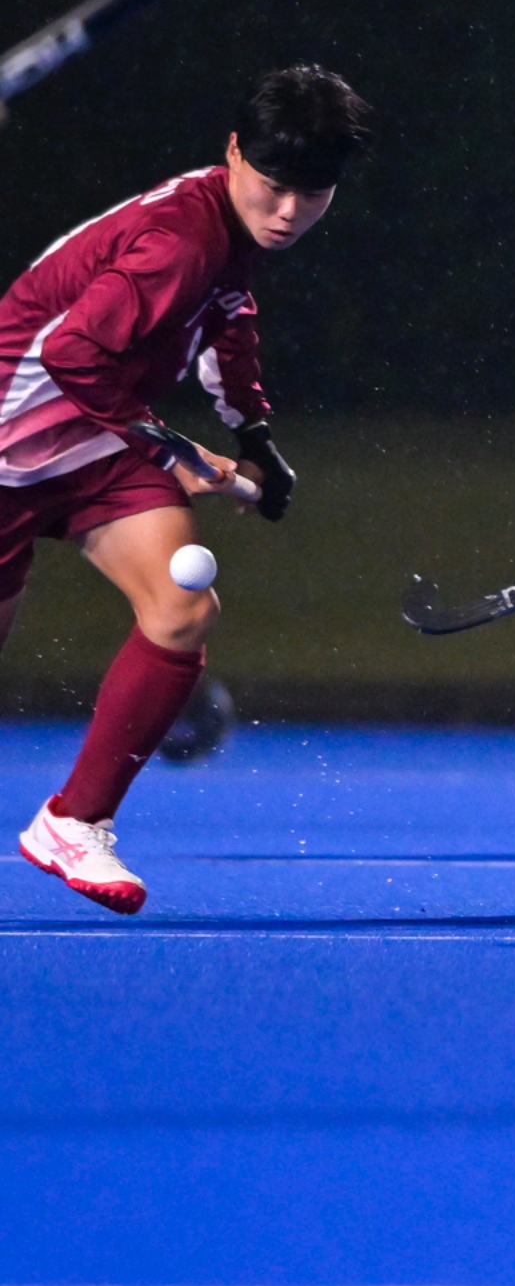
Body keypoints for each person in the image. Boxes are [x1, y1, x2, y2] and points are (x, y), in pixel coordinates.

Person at [10, 65, 364, 914]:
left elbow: (229, 320)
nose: (289, 212)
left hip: (99, 442)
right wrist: (172, 449)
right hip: (13, 448)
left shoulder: (230, 230)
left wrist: (254, 435)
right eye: (274, 186)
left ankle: (73, 822)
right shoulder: (181, 240)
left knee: (181, 608)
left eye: (312, 195)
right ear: (233, 151)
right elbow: (70, 356)